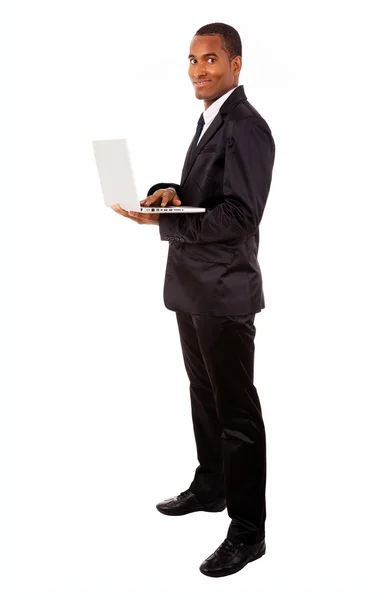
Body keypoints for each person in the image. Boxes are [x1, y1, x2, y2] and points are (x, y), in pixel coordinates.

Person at [112, 22, 275, 578]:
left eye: (210, 60)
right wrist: (170, 195)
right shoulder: (211, 119)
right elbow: (210, 197)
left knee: (236, 412)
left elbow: (240, 215)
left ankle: (248, 531)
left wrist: (164, 224)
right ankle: (212, 486)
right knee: (203, 394)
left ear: (235, 65)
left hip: (226, 290)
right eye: (192, 60)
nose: (199, 70)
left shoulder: (247, 127)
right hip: (194, 286)